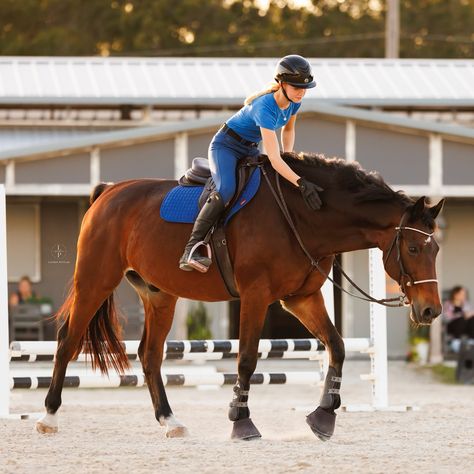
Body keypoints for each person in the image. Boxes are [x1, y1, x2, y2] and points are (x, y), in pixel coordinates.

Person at [179, 54, 323, 272]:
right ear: (281, 84)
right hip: (225, 146)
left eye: (304, 87)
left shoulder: (294, 102)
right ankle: (191, 248)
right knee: (227, 188)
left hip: (248, 148)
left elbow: (289, 129)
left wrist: (290, 158)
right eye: (295, 87)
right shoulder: (265, 106)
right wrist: (300, 181)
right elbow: (274, 158)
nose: (301, 91)